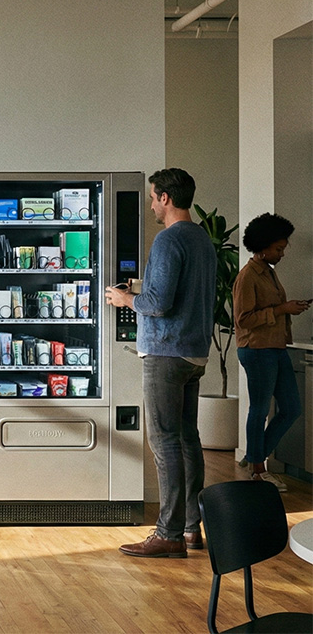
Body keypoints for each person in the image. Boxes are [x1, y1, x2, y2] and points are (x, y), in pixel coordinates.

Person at [105, 168, 216, 558]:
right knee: (188, 439)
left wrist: (125, 300)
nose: (151, 204)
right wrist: (140, 288)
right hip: (194, 352)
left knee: (164, 441)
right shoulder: (202, 239)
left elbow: (158, 304)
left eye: (154, 197)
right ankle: (191, 528)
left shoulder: (168, 240)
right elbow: (182, 293)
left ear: (166, 198)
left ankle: (167, 534)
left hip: (166, 352)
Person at [233, 213, 311, 492]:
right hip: (256, 350)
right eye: (279, 248)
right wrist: (282, 309)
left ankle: (254, 456)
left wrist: (287, 307)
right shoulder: (247, 276)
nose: (282, 253)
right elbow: (243, 319)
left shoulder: (269, 272)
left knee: (291, 409)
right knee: (260, 408)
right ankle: (257, 470)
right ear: (263, 246)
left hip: (276, 348)